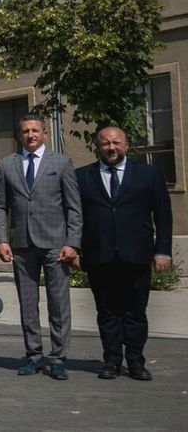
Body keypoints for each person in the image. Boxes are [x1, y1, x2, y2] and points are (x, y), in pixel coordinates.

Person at [76, 125, 173, 381]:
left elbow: (163, 215)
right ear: (97, 147)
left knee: (135, 313)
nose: (111, 147)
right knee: (107, 313)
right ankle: (111, 361)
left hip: (137, 255)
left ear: (127, 145)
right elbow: (74, 218)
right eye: (105, 143)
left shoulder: (149, 174)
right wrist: (74, 248)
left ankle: (135, 361)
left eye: (116, 143)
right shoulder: (82, 177)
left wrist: (162, 251)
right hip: (100, 256)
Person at [0, 114, 82, 380]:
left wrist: (72, 243)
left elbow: (73, 208)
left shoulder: (61, 163)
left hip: (55, 244)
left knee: (58, 303)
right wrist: (1, 239)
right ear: (19, 135)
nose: (30, 135)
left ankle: (57, 357)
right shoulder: (7, 164)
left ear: (45, 133)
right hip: (21, 244)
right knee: (28, 303)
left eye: (35, 131)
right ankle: (33, 354)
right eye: (25, 131)